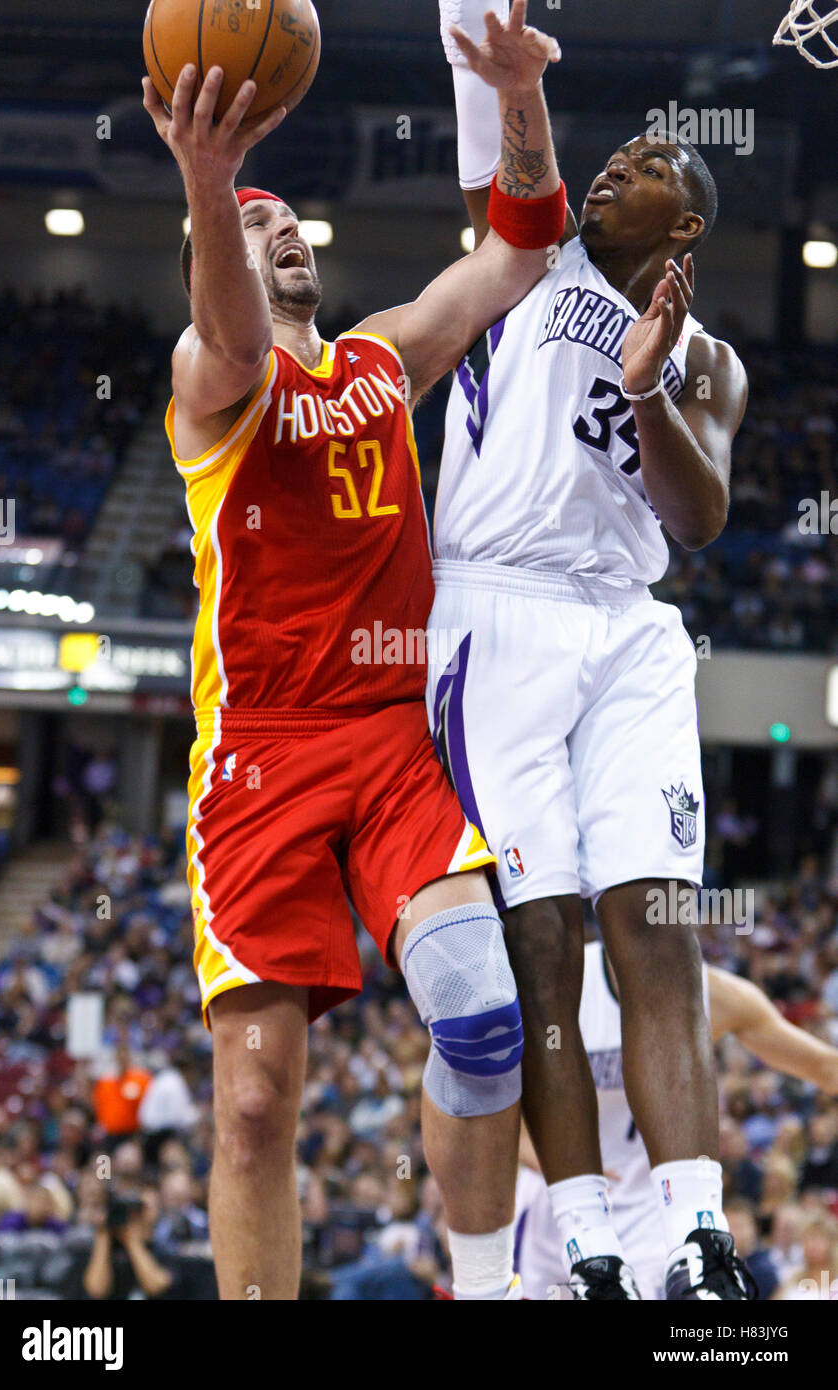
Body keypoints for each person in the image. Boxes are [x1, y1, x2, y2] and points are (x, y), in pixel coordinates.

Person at [142, 2, 568, 1300]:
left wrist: (511, 95)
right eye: (251, 224)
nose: (279, 230)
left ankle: (480, 1282)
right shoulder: (212, 383)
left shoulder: (382, 360)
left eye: (285, 218)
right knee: (257, 1105)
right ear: (214, 254)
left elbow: (519, 247)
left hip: (389, 742)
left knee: (487, 1025)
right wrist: (209, 183)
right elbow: (221, 335)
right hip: (261, 759)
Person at [432, 0, 749, 1297]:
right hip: (496, 608)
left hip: (628, 627)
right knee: (542, 942)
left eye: (647, 169)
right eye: (604, 157)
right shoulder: (520, 264)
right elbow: (505, 159)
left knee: (654, 927)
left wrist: (643, 383)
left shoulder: (711, 363)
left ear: (681, 225)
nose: (612, 167)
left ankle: (694, 1232)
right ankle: (586, 1239)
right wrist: (500, 59)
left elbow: (699, 516)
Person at [514, 941, 838, 1298]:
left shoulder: (711, 993)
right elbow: (494, 1103)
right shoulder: (561, 987)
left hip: (648, 1204)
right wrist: (558, 1166)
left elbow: (823, 1067)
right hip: (560, 1198)